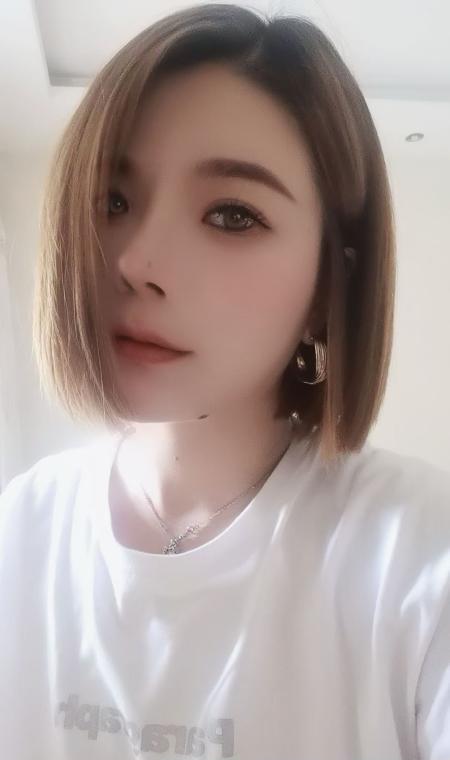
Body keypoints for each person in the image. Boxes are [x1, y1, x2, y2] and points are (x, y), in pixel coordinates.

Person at [0, 4, 449, 758]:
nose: (134, 262)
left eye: (233, 216)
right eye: (113, 201)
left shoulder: (417, 553)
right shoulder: (21, 532)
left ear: (327, 287)